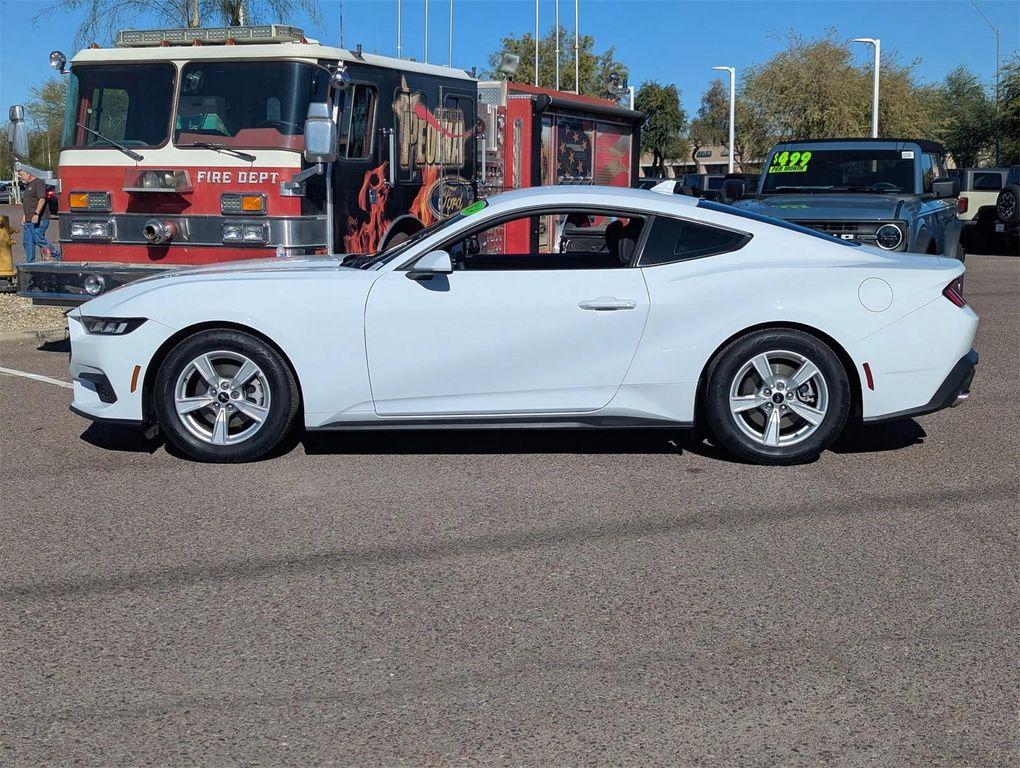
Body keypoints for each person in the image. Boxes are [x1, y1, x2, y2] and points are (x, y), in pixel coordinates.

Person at [18, 167, 60, 262]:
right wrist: (25, 215)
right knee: (27, 242)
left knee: (39, 238)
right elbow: (29, 202)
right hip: (29, 220)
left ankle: (55, 254)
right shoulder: (29, 186)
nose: (21, 177)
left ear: (29, 173)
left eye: (22, 175)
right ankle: (30, 262)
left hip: (39, 219)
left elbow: (42, 199)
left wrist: (37, 214)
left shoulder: (38, 183)